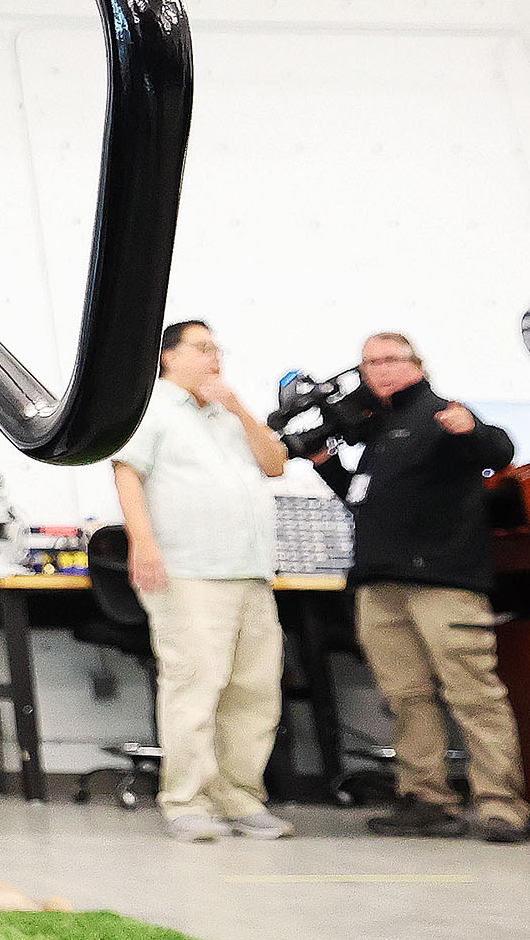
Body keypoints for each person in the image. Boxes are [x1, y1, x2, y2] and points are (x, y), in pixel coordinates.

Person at [312, 334, 524, 843]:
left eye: (392, 359)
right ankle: (427, 799)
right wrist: (327, 468)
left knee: (474, 695)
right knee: (407, 698)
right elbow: (366, 500)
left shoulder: (443, 415)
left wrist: (471, 429)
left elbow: (498, 450)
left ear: (417, 365)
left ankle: (502, 805)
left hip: (444, 585)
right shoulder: (375, 431)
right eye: (370, 362)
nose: (381, 370)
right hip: (380, 584)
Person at [111, 320, 294, 843]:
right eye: (203, 348)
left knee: (254, 691)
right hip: (189, 571)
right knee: (196, 686)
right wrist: (143, 544)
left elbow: (275, 464)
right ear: (168, 355)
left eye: (218, 348)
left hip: (250, 572)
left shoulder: (228, 413)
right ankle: (185, 800)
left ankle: (239, 796)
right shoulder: (152, 408)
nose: (215, 357)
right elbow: (127, 472)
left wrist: (239, 409)